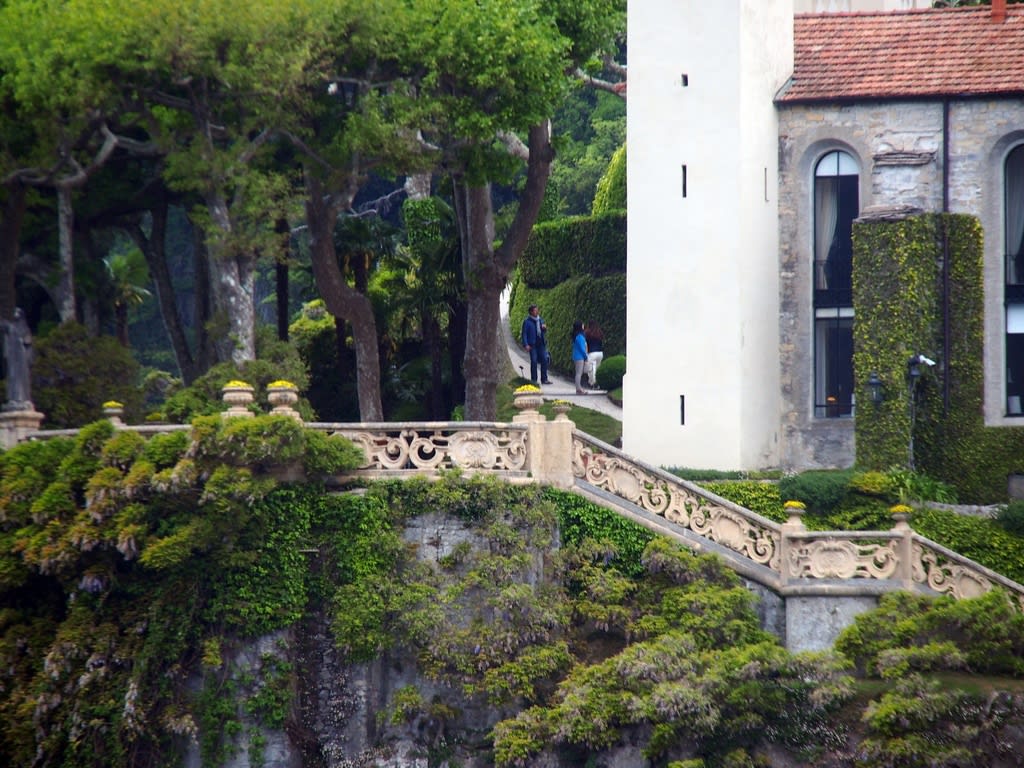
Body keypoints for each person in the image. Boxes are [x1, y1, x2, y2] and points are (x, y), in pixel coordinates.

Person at [1, 308, 33, 409]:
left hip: (22, 359)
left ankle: (23, 400)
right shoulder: (11, 327)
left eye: (17, 312)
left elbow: (28, 342)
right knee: (12, 378)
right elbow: (2, 324)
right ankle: (13, 399)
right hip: (13, 358)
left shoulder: (25, 329)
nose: (15, 314)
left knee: (22, 380)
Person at [521, 304, 551, 384]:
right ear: (531, 312)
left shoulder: (540, 320)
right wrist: (526, 344)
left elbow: (543, 331)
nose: (537, 311)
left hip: (541, 344)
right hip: (532, 345)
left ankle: (544, 379)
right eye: (535, 310)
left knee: (544, 359)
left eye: (537, 310)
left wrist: (544, 328)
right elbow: (524, 334)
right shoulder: (527, 322)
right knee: (534, 361)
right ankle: (534, 379)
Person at [584, 321, 605, 389]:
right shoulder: (599, 333)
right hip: (600, 353)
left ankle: (593, 383)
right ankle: (598, 383)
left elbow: (585, 344)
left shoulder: (587, 333)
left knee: (591, 369)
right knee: (597, 368)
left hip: (591, 353)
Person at [571, 321, 588, 394]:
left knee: (578, 373)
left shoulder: (576, 336)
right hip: (580, 357)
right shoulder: (580, 336)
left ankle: (579, 388)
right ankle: (578, 389)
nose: (583, 326)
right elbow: (582, 348)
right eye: (582, 325)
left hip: (577, 356)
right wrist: (585, 356)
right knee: (579, 373)